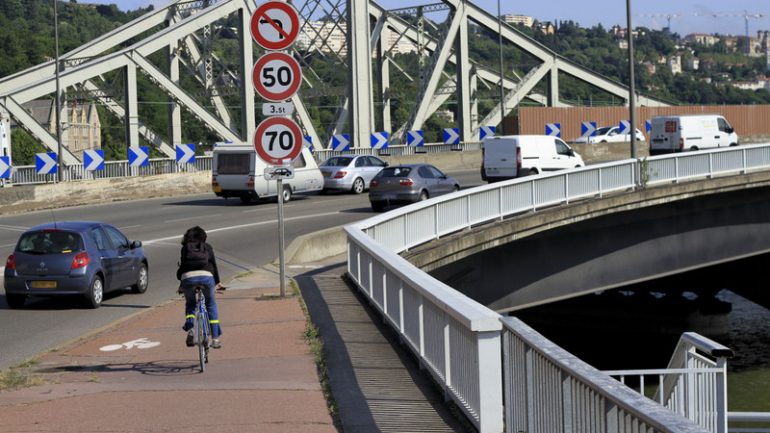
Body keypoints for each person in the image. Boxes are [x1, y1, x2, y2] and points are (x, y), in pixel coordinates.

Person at [176, 226, 223, 349]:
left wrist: (181, 283)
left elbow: (183, 267)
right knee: (211, 305)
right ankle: (215, 339)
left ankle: (190, 326)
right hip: (207, 278)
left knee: (191, 303)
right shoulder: (207, 247)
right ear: (203, 237)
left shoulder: (185, 249)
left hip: (188, 278)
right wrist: (217, 282)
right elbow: (213, 265)